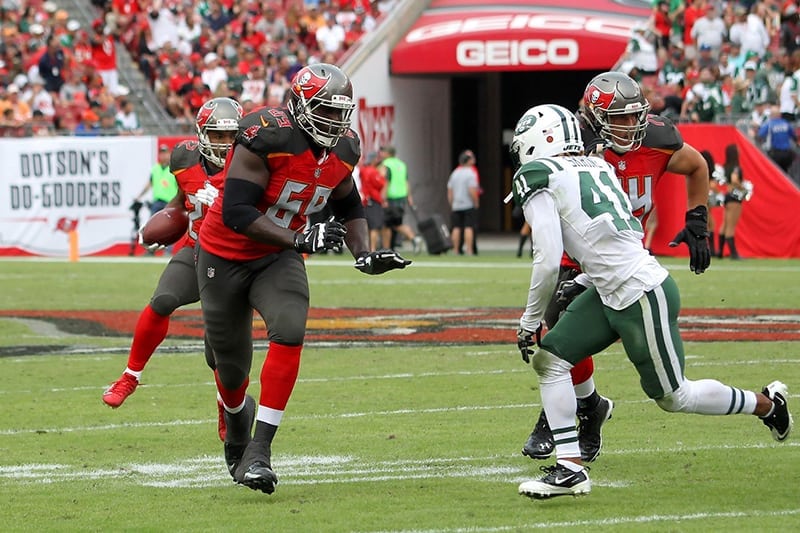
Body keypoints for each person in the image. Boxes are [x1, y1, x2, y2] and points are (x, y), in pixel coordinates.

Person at [508, 104, 792, 499]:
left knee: (675, 397)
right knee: (551, 360)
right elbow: (615, 235)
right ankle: (570, 469)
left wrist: (528, 320)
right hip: (612, 286)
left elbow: (547, 257)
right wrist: (588, 278)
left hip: (639, 292)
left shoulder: (541, 173)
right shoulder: (599, 168)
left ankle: (766, 404)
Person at [195, 63, 412, 495]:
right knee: (230, 368)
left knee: (290, 329)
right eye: (325, 110)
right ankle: (237, 417)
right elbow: (238, 211)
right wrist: (300, 234)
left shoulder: (344, 148)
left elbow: (350, 205)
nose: (334, 122)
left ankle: (259, 450)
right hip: (224, 253)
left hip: (278, 256)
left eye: (340, 112)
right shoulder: (266, 134)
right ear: (299, 105)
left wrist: (363, 253)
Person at [521, 71, 712, 463]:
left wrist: (697, 219)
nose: (629, 125)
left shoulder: (657, 139)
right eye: (618, 118)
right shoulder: (579, 145)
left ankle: (584, 409)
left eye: (633, 116)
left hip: (623, 258)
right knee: (556, 331)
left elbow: (697, 165)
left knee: (645, 364)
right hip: (577, 254)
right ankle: (582, 409)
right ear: (591, 117)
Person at [102, 98, 243, 444]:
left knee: (218, 350)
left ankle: (225, 406)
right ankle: (130, 376)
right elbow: (182, 202)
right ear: (201, 133)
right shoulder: (185, 159)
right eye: (217, 135)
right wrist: (163, 222)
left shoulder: (251, 167)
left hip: (234, 260)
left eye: (230, 136)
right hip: (195, 249)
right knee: (163, 299)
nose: (224, 144)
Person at [379, 144, 423, 253]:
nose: (381, 154)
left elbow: (385, 182)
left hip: (390, 197)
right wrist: (409, 196)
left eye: (383, 152)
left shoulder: (386, 164)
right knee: (395, 223)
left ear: (388, 153)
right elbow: (406, 181)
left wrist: (382, 197)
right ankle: (389, 247)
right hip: (401, 197)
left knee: (388, 224)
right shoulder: (401, 164)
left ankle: (387, 247)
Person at [717, 143, 750, 259]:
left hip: (727, 196)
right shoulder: (736, 167)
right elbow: (734, 179)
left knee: (725, 224)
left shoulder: (725, 167)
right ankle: (734, 253)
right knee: (731, 226)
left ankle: (720, 252)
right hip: (735, 197)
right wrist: (743, 188)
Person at [447, 150, 480, 255]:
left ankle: (455, 249)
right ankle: (469, 250)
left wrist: (451, 203)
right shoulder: (470, 173)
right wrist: (476, 202)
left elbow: (450, 190)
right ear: (468, 161)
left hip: (456, 204)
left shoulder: (455, 173)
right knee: (468, 227)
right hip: (467, 204)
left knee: (456, 227)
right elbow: (472, 190)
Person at [137, 144, 179, 218]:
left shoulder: (174, 168)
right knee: (153, 224)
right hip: (157, 202)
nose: (163, 155)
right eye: (161, 153)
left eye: (165, 153)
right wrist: (139, 196)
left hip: (170, 202)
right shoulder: (155, 169)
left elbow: (179, 186)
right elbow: (149, 184)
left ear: (169, 154)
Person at [357, 151, 387, 251]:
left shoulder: (363, 170)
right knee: (375, 226)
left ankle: (369, 247)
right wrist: (382, 175)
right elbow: (381, 183)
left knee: (368, 226)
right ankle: (373, 248)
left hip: (365, 200)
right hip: (373, 200)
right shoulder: (372, 171)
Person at [757, 105, 797, 172]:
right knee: (785, 173)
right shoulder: (786, 123)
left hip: (775, 154)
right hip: (787, 154)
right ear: (780, 115)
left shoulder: (769, 124)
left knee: (774, 173)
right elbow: (793, 136)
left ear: (771, 115)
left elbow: (760, 134)